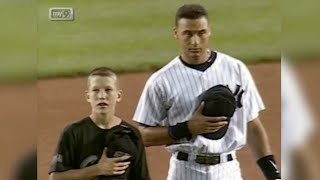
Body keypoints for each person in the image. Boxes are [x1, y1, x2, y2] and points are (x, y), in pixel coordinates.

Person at [133, 4, 280, 180]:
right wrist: (187, 128)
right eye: (188, 34)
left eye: (201, 33)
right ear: (176, 33)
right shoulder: (161, 81)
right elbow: (143, 136)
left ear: (209, 31)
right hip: (185, 171)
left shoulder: (236, 69)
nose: (195, 41)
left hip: (228, 171)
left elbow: (252, 125)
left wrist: (273, 174)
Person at [49, 67, 150, 180]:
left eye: (108, 90)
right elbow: (56, 177)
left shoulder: (131, 134)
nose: (102, 96)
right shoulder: (74, 132)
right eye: (95, 90)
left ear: (118, 95)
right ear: (88, 96)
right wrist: (98, 169)